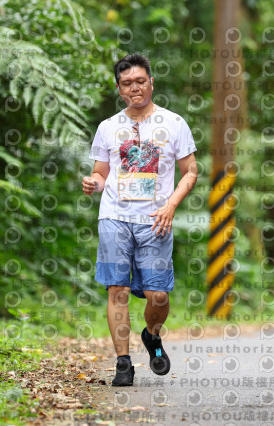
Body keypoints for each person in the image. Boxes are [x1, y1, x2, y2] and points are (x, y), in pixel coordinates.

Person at [82, 53, 198, 386]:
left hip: (155, 220)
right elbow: (101, 173)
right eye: (127, 83)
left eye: (140, 81)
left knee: (157, 296)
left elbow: (191, 171)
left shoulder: (173, 123)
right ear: (119, 89)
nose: (135, 88)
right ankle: (123, 363)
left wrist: (171, 205)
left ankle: (151, 334)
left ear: (151, 83)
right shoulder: (108, 127)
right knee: (116, 290)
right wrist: (93, 183)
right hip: (114, 217)